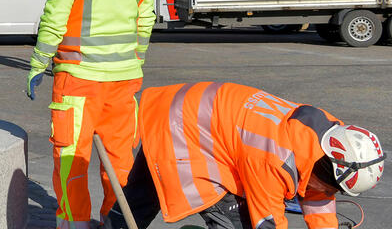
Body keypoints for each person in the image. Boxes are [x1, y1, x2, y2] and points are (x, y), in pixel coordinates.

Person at [26, 0, 156, 229]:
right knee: (121, 162)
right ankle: (117, 221)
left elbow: (52, 25)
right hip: (124, 88)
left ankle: (76, 223)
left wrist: (36, 67)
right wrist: (135, 59)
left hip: (78, 84)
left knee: (71, 159)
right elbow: (146, 23)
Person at [105, 82, 385, 229]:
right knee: (235, 218)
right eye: (333, 187)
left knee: (139, 199)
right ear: (329, 166)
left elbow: (319, 198)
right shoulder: (274, 157)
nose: (331, 192)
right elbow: (267, 221)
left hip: (191, 113)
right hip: (186, 129)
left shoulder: (327, 136)